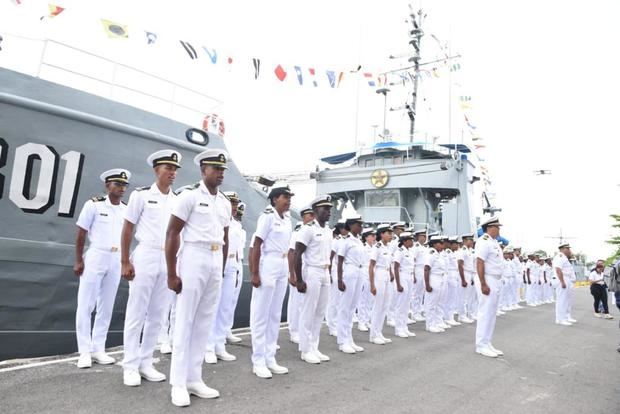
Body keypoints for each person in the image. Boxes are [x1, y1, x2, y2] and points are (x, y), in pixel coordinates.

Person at [164, 149, 231, 407]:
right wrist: (172, 272)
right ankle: (178, 383)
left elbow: (224, 239)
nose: (220, 173)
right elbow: (172, 233)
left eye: (223, 169)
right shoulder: (189, 195)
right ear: (203, 170)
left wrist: (222, 270)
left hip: (215, 260)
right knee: (185, 320)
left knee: (204, 322)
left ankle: (194, 378)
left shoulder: (224, 203)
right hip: (193, 256)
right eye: (216, 169)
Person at [120, 150, 180, 386]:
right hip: (145, 254)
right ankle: (130, 365)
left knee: (157, 314)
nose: (172, 173)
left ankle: (146, 362)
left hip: (166, 258)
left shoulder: (177, 200)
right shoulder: (141, 196)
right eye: (168, 168)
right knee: (136, 312)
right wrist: (125, 261)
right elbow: (127, 229)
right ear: (156, 170)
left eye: (175, 169)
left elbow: (179, 235)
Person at [74, 168, 130, 369]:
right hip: (96, 255)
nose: (122, 188)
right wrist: (79, 260)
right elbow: (81, 233)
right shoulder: (93, 205)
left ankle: (98, 349)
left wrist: (126, 260)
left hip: (115, 258)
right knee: (86, 304)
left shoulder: (126, 209)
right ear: (108, 186)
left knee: (106, 306)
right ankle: (84, 351)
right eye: (118, 184)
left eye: (124, 185)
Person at [249, 185, 294, 378]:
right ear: (275, 199)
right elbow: (256, 244)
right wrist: (254, 272)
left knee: (275, 314)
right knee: (261, 314)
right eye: (285, 197)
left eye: (289, 197)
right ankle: (258, 360)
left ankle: (270, 357)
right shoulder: (267, 217)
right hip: (268, 263)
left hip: (282, 264)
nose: (289, 200)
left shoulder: (288, 220)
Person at [205, 192, 244, 364]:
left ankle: (220, 344)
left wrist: (235, 270)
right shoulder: (216, 219)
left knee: (225, 307)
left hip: (232, 265)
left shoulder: (236, 225)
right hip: (217, 262)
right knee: (212, 307)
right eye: (232, 203)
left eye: (236, 204)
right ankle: (208, 347)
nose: (234, 207)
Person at [294, 195, 333, 364]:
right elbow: (297, 254)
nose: (329, 212)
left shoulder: (328, 231)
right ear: (316, 211)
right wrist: (299, 279)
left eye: (330, 209)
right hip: (312, 272)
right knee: (308, 312)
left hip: (325, 272)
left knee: (320, 313)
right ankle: (305, 349)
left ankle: (314, 347)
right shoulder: (308, 229)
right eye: (325, 209)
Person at [474, 216, 505, 358]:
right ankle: (481, 345)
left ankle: (487, 342)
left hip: (495, 280)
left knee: (491, 313)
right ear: (489, 227)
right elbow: (479, 262)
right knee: (485, 312)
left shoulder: (494, 242)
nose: (499, 229)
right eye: (497, 227)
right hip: (487, 279)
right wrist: (483, 283)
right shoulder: (483, 241)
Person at [336, 215, 366, 353]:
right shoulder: (346, 241)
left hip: (359, 272)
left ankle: (349, 339)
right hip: (349, 271)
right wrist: (340, 279)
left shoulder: (359, 241)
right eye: (358, 224)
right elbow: (339, 260)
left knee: (352, 307)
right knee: (345, 307)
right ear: (351, 225)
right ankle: (342, 341)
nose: (360, 227)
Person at [287, 206, 315, 344]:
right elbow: (292, 253)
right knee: (295, 303)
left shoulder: (312, 231)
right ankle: (294, 331)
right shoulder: (298, 232)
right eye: (310, 215)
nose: (312, 217)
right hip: (297, 269)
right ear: (304, 216)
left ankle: (302, 330)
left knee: (304, 303)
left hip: (306, 270)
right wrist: (292, 274)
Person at [368, 224, 395, 345]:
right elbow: (371, 266)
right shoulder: (377, 247)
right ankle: (373, 335)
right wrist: (372, 284)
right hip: (378, 275)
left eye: (391, 233)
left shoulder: (388, 247)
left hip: (387, 275)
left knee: (385, 305)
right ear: (381, 234)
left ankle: (379, 332)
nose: (391, 235)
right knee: (378, 306)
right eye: (388, 233)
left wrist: (392, 274)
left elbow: (389, 264)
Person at [393, 232, 416, 338]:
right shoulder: (400, 251)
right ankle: (399, 329)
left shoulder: (410, 251)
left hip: (409, 277)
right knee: (400, 305)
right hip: (402, 277)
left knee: (407, 304)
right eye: (410, 240)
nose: (412, 241)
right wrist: (398, 284)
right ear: (405, 241)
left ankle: (404, 327)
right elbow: (396, 267)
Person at [327, 219, 348, 336]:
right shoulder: (336, 241)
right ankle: (332, 326)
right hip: (336, 270)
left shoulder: (347, 240)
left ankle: (339, 324)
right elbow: (330, 258)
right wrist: (329, 273)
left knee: (341, 300)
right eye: (345, 228)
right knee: (334, 300)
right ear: (341, 229)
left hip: (345, 271)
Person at [423, 233, 448, 333]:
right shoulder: (431, 253)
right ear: (435, 244)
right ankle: (430, 324)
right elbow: (426, 269)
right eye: (440, 243)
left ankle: (436, 322)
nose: (442, 245)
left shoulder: (438, 254)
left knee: (438, 302)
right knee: (431, 303)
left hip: (440, 278)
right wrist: (427, 285)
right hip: (433, 278)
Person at [552, 243, 577, 326]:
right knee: (562, 300)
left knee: (567, 300)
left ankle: (566, 316)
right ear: (562, 249)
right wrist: (562, 281)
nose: (569, 250)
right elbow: (558, 269)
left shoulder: (564, 258)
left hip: (567, 279)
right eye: (567, 248)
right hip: (562, 279)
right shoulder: (559, 256)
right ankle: (560, 319)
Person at [356, 227, 376, 332]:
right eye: (372, 236)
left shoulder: (374, 248)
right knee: (362, 300)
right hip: (364, 274)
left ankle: (367, 319)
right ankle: (361, 322)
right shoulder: (363, 248)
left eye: (374, 236)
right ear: (366, 237)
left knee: (370, 300)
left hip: (372, 275)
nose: (374, 238)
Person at [456, 233, 476, 323]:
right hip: (464, 273)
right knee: (463, 297)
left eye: (472, 240)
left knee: (469, 296)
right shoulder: (462, 251)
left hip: (470, 273)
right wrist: (463, 279)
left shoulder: (471, 251)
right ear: (464, 241)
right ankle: (462, 315)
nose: (472, 241)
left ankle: (470, 313)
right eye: (470, 240)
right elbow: (460, 265)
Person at [410, 228, 428, 322]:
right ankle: (414, 313)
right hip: (417, 270)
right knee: (415, 293)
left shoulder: (424, 248)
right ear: (417, 237)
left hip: (423, 270)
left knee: (421, 293)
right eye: (422, 236)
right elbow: (412, 261)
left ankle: (418, 311)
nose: (424, 238)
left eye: (425, 236)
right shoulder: (415, 248)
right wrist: (413, 275)